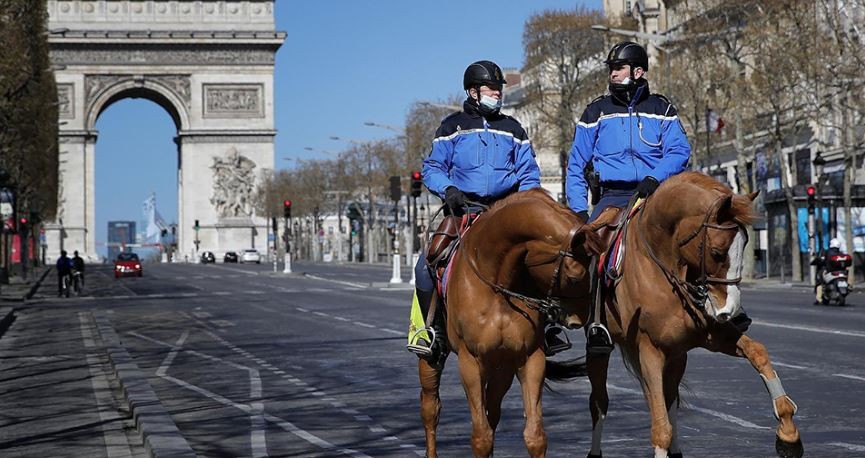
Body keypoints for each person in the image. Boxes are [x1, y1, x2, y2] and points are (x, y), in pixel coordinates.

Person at [567, 42, 749, 352]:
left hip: (656, 194)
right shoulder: (595, 111)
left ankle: (722, 307)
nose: (612, 73)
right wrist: (580, 214)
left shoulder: (662, 109)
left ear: (638, 72)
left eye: (618, 68)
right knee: (592, 250)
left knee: (694, 240)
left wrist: (654, 178)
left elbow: (679, 150)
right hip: (613, 196)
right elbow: (575, 164)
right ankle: (596, 322)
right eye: (611, 69)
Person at [407, 60, 560, 359]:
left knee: (545, 259)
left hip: (505, 213)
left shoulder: (514, 129)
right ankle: (428, 330)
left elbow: (528, 171)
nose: (498, 94)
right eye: (491, 89)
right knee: (426, 265)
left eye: (499, 89)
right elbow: (433, 167)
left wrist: (527, 202)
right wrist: (449, 190)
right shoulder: (452, 126)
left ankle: (551, 328)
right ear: (473, 92)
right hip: (463, 209)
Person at [812, 238, 845, 303]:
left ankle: (819, 298)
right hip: (840, 272)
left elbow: (822, 260)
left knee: (820, 281)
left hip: (829, 271)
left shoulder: (828, 252)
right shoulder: (840, 253)